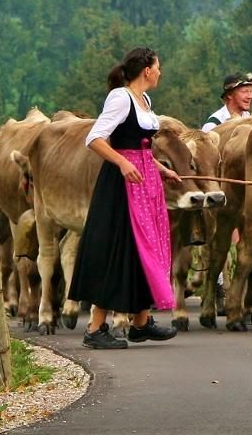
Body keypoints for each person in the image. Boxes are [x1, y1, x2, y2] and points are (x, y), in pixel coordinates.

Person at [70, 47, 183, 349]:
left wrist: (162, 170)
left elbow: (142, 148)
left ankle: (141, 323)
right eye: (158, 67)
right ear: (147, 70)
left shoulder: (145, 100)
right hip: (122, 186)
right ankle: (95, 329)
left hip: (145, 182)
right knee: (118, 249)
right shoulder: (121, 98)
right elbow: (94, 138)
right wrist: (121, 163)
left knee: (145, 248)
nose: (160, 72)